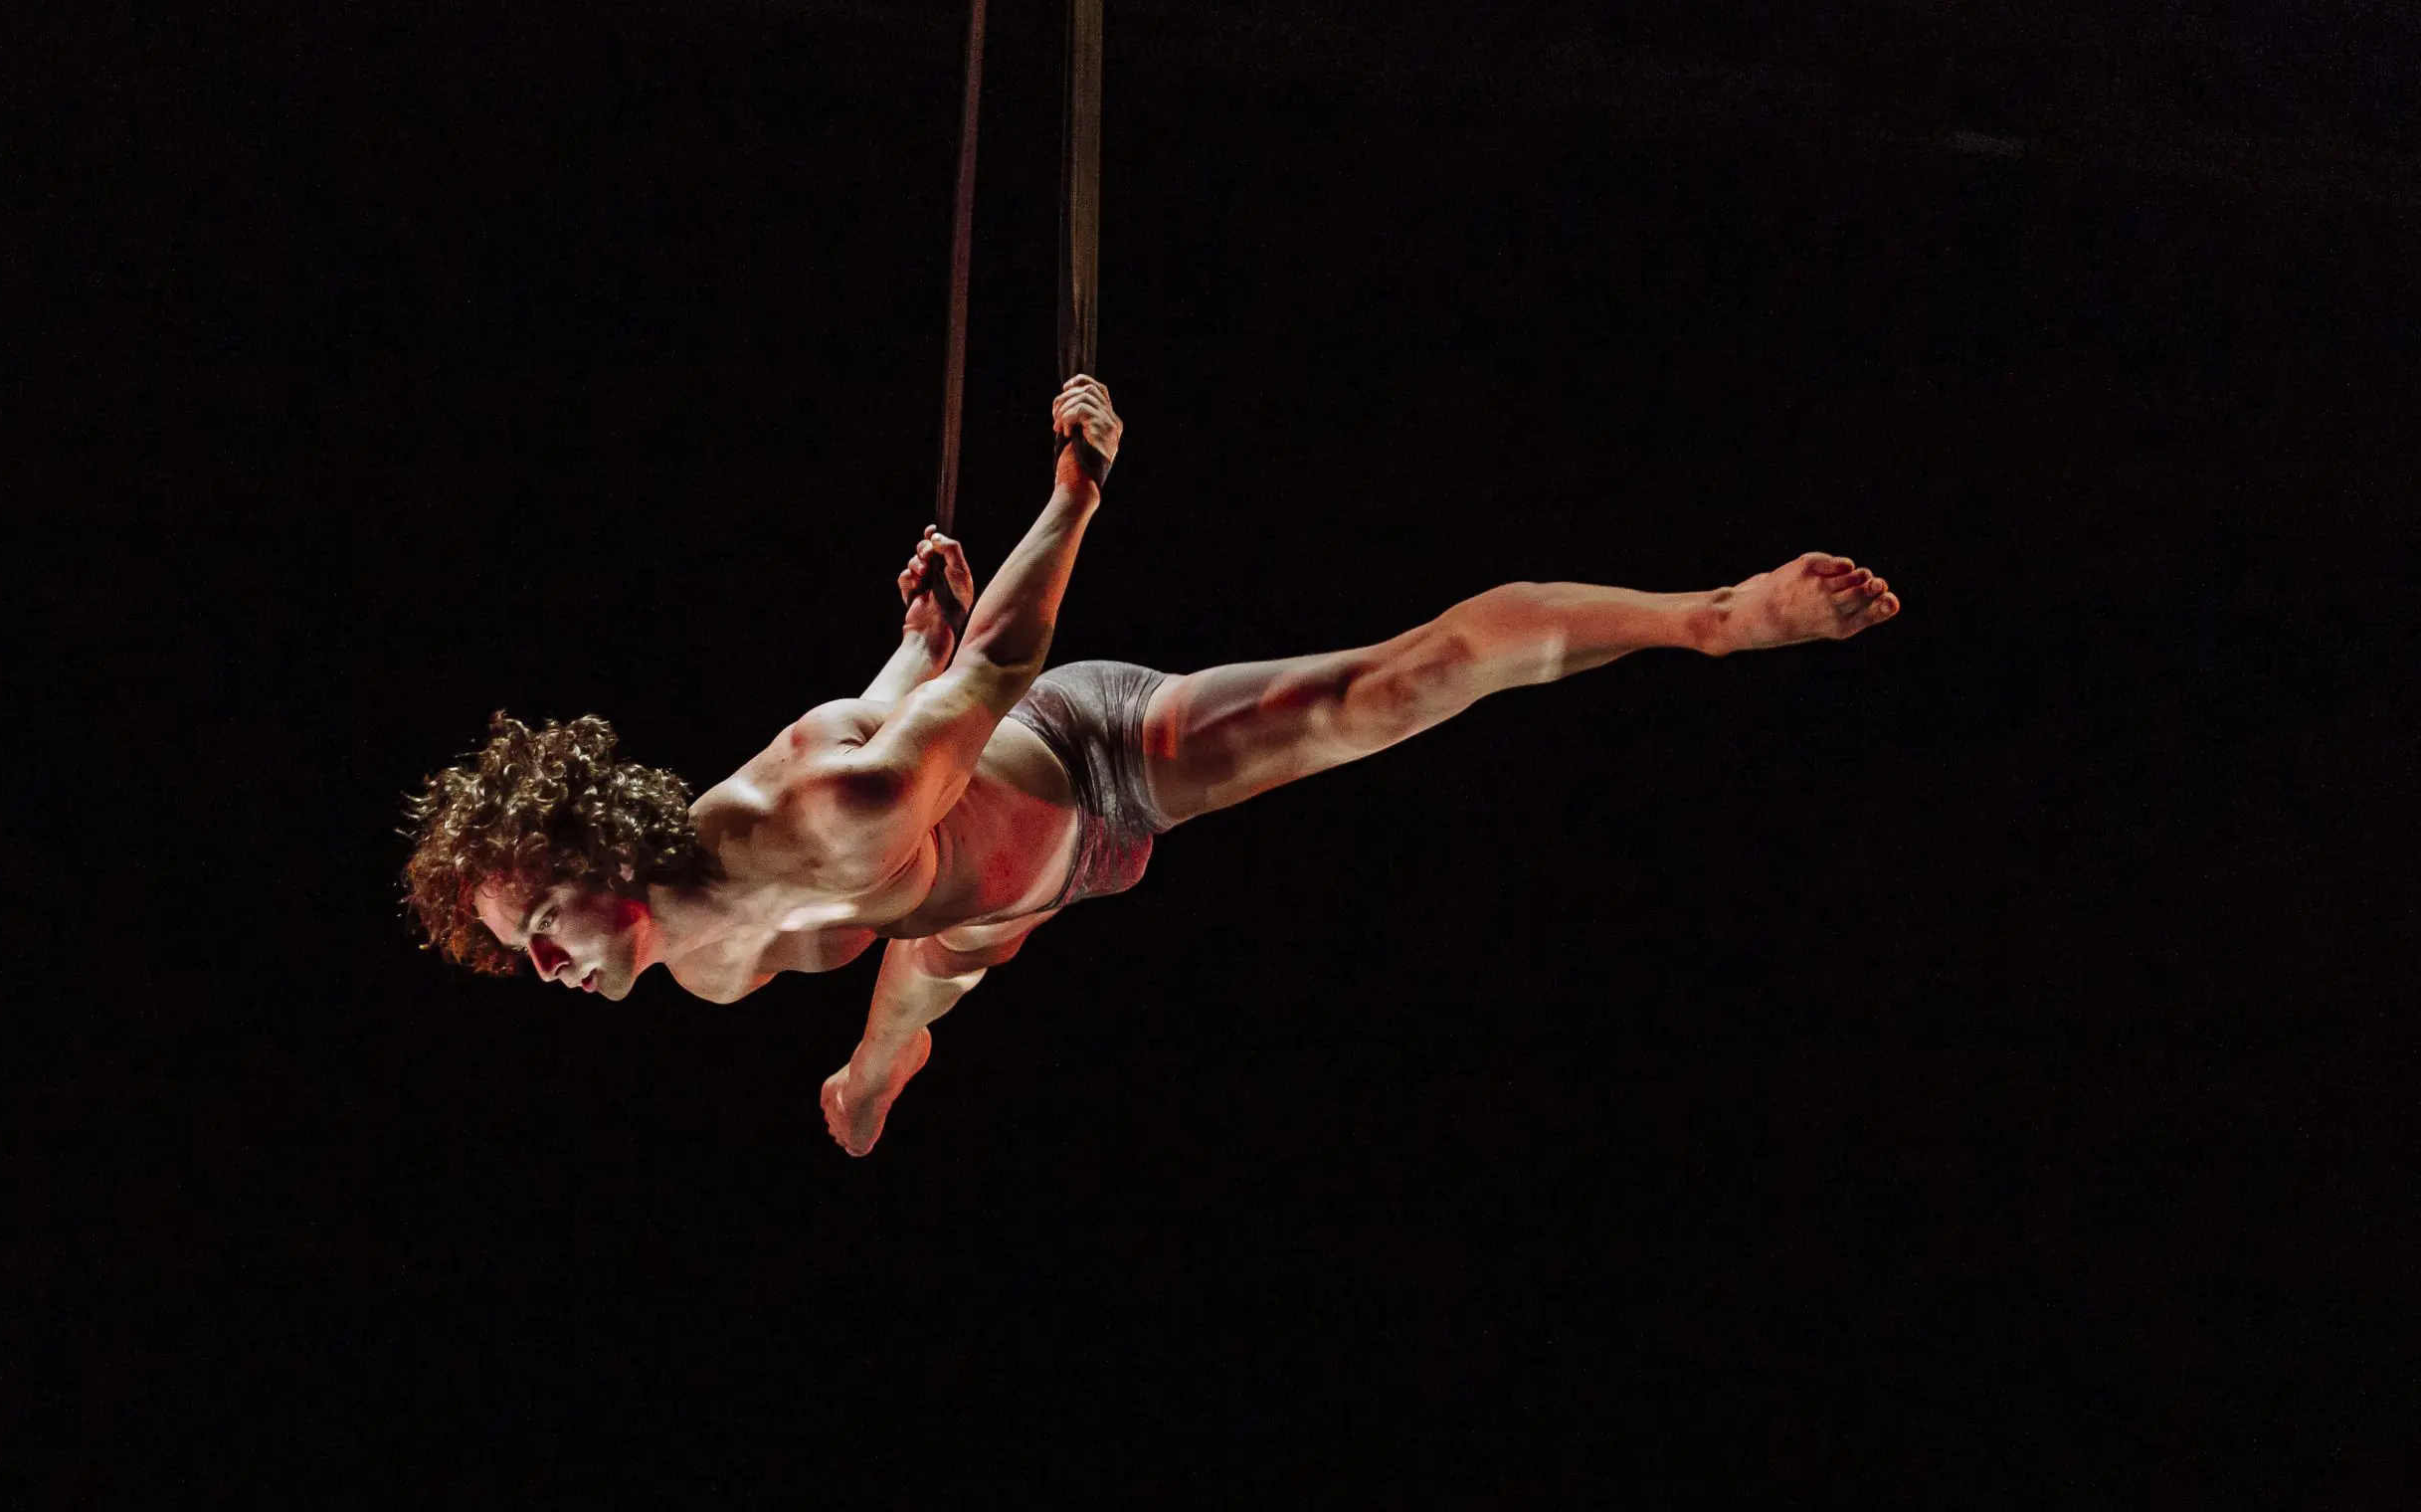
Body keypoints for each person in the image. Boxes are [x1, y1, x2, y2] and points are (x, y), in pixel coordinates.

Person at [403, 377, 1900, 1156]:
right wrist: (908, 651)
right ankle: (877, 1065)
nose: (539, 965)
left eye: (538, 926)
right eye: (521, 948)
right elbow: (887, 699)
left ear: (601, 863)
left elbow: (997, 673)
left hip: (1084, 764)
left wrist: (1074, 494)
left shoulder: (812, 818)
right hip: (964, 888)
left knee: (1393, 686)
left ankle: (1709, 618)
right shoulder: (698, 952)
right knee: (926, 948)